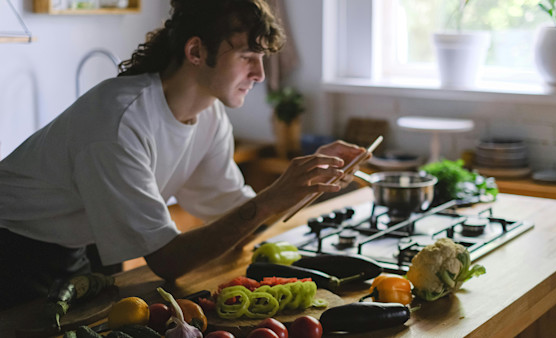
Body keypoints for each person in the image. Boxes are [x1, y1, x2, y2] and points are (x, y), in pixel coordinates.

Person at [0, 0, 366, 310]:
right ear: (196, 52)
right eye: (247, 56)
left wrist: (306, 182)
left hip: (83, 243)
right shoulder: (118, 122)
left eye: (262, 58)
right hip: (16, 249)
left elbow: (230, 212)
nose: (258, 73)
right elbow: (167, 260)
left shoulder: (209, 114)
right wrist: (272, 198)